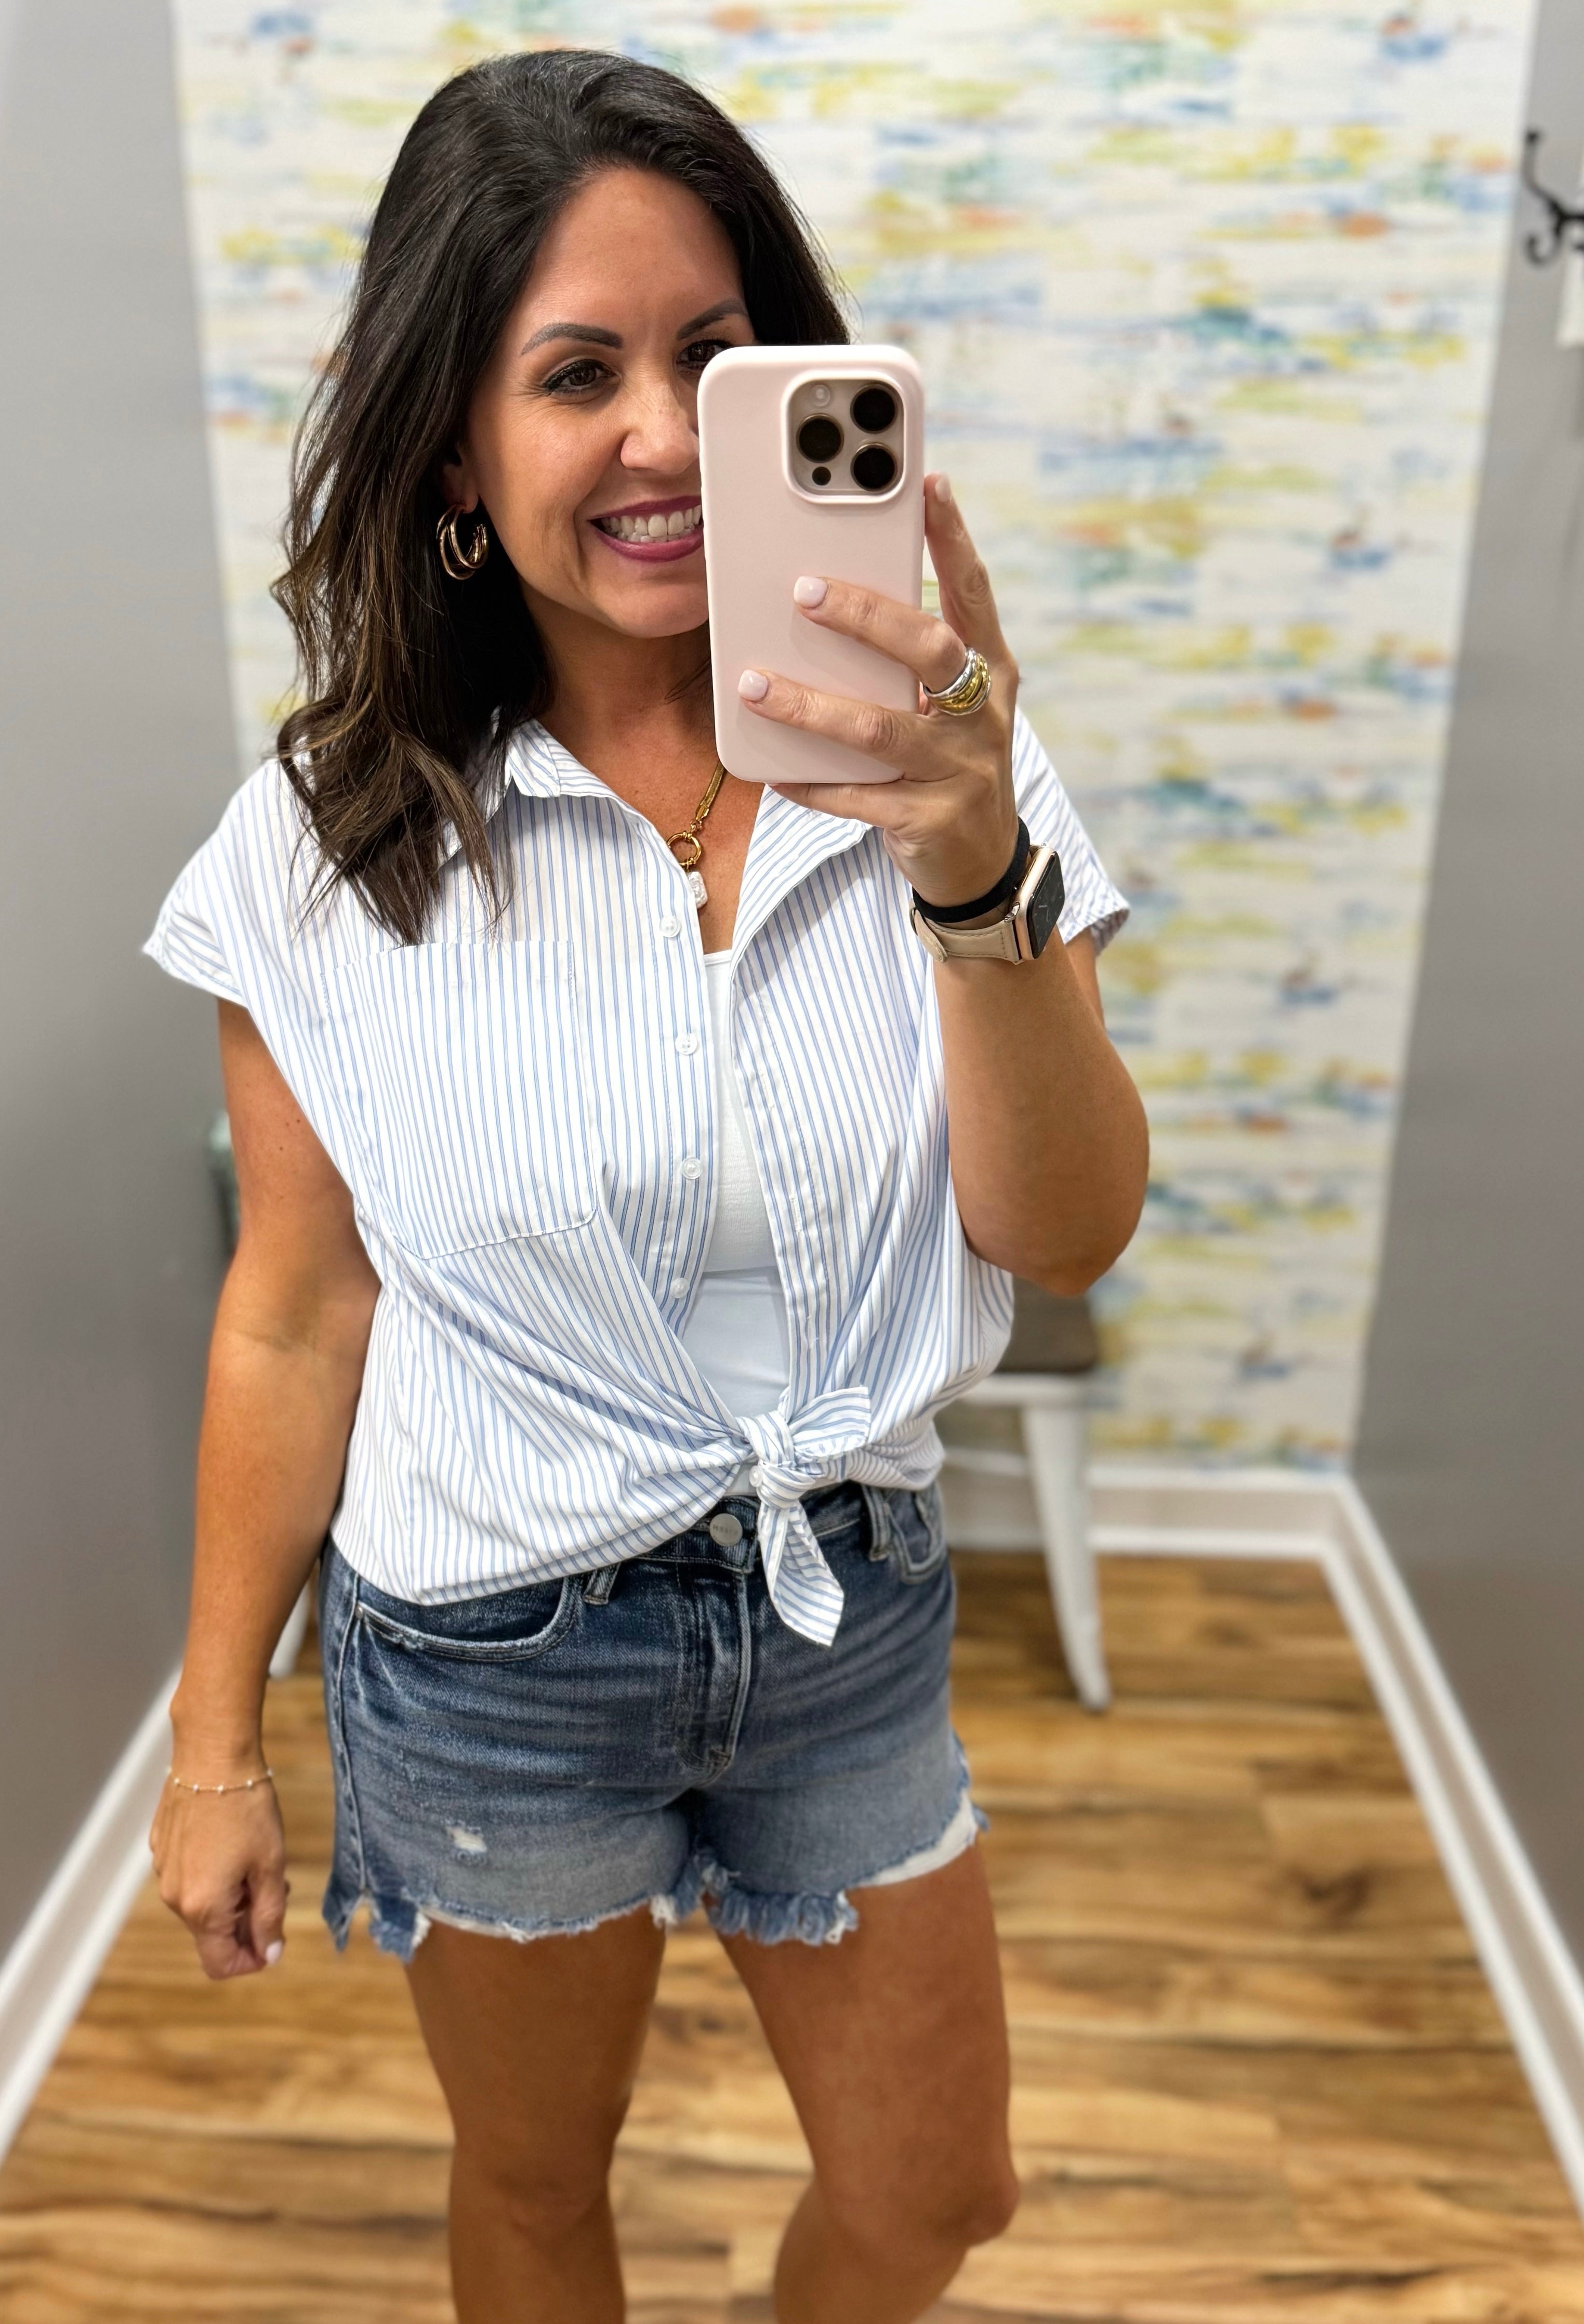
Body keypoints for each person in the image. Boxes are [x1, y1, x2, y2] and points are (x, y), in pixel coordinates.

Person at [144, 48, 1147, 2324]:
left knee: (934, 2187)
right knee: (530, 2193)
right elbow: (295, 1309)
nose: (665, 433)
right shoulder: (325, 846)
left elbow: (1064, 1229)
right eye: (575, 370)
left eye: (718, 355)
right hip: (491, 1643)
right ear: (454, 449)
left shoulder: (940, 766)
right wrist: (212, 1744)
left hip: (846, 1604)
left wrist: (970, 856)